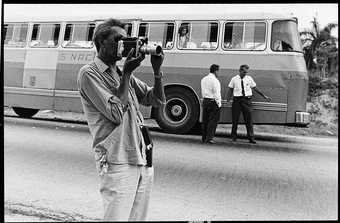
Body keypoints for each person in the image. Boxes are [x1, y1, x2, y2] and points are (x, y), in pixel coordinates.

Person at [77, 18, 165, 221]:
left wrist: (157, 70)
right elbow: (116, 113)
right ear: (101, 42)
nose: (123, 44)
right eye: (118, 39)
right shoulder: (89, 73)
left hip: (141, 157)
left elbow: (157, 100)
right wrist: (126, 73)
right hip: (117, 159)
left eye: (126, 40)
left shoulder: (119, 72)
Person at [226, 64, 271, 144]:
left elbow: (255, 88)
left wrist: (264, 96)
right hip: (237, 100)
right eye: (243, 72)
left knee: (249, 120)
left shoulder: (249, 78)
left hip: (247, 100)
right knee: (235, 119)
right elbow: (230, 89)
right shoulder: (234, 79)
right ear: (240, 71)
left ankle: (251, 137)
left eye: (246, 72)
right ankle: (233, 137)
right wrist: (228, 100)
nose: (245, 74)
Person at [200, 64, 222, 144]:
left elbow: (203, 91)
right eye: (218, 71)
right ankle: (209, 138)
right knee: (212, 121)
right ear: (216, 71)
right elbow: (216, 93)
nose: (218, 73)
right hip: (213, 102)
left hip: (205, 100)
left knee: (205, 120)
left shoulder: (204, 79)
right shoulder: (215, 80)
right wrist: (219, 104)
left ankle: (204, 137)